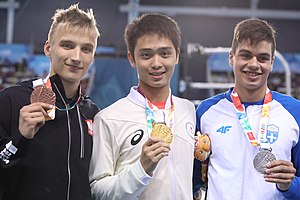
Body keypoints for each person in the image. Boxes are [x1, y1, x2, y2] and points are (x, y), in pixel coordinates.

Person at [89, 13, 196, 199]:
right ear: (132, 59)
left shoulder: (188, 110)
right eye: (146, 55)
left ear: (177, 55)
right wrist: (141, 169)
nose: (156, 63)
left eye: (165, 54)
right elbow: (98, 191)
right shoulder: (108, 118)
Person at [0, 4, 100, 200]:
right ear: (48, 48)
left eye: (86, 49)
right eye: (67, 46)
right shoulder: (12, 100)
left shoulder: (92, 113)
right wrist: (20, 138)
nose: (76, 57)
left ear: (92, 56)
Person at [193, 18, 300, 199]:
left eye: (262, 58)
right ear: (231, 58)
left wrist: (290, 185)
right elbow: (194, 178)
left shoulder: (295, 112)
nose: (253, 64)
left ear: (272, 62)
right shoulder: (206, 111)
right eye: (245, 55)